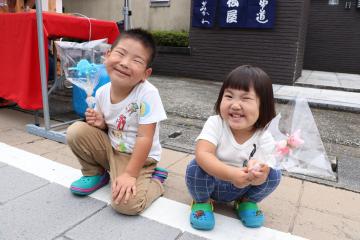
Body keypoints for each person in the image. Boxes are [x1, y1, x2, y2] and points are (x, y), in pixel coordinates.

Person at [66, 28, 168, 215]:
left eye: (136, 60)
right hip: (112, 149)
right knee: (76, 131)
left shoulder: (147, 94)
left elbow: (145, 137)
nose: (125, 63)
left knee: (125, 204)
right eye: (120, 53)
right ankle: (95, 174)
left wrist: (130, 174)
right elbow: (109, 126)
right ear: (107, 55)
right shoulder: (102, 91)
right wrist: (101, 124)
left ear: (146, 73)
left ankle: (156, 181)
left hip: (140, 157)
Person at [185, 65, 281, 230]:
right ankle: (202, 202)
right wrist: (232, 174)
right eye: (229, 96)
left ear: (262, 105)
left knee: (274, 174)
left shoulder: (264, 135)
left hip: (243, 188)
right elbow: (203, 153)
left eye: (245, 98)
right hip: (213, 182)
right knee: (196, 166)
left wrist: (258, 175)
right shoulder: (216, 123)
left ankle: (245, 203)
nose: (235, 105)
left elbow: (264, 171)